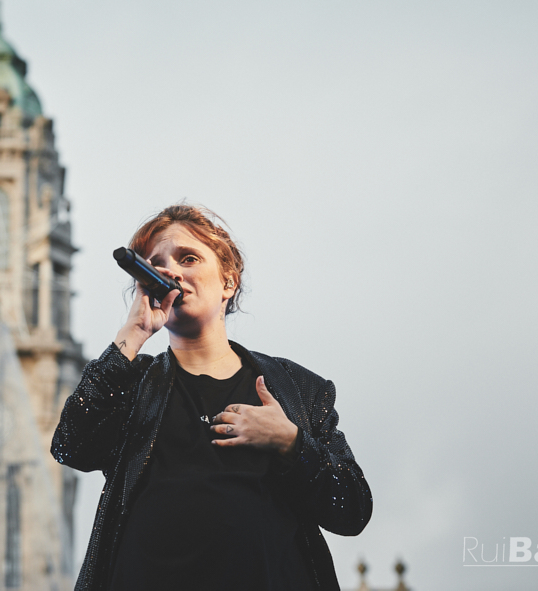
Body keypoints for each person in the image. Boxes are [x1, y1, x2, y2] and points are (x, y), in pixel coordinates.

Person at [52, 204, 372, 591]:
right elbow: (71, 445)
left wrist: (291, 442)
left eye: (188, 258)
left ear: (228, 282)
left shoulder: (298, 389)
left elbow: (353, 507)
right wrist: (131, 336)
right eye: (157, 264)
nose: (171, 271)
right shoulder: (132, 384)